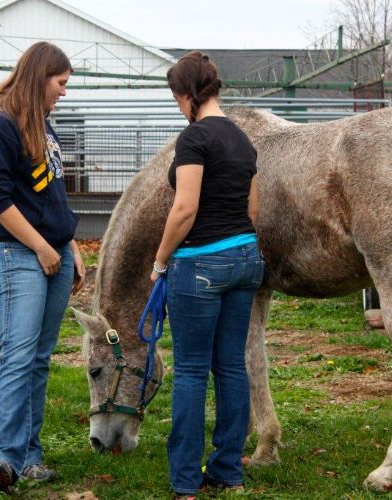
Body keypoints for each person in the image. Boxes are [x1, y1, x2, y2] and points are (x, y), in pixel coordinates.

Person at [150, 51, 264, 498]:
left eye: (176, 98)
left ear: (187, 95)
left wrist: (160, 262)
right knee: (231, 367)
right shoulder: (243, 139)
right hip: (245, 260)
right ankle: (228, 471)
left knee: (193, 371)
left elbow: (185, 208)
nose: (178, 106)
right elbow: (253, 210)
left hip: (199, 265)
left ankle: (184, 481)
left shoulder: (194, 139)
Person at [0, 41, 85, 494]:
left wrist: (69, 243)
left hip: (53, 252)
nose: (63, 92)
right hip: (18, 254)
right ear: (41, 77)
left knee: (37, 359)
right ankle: (0, 457)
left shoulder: (41, 124)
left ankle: (29, 457)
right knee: (17, 356)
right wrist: (41, 247)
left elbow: (48, 194)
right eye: (60, 84)